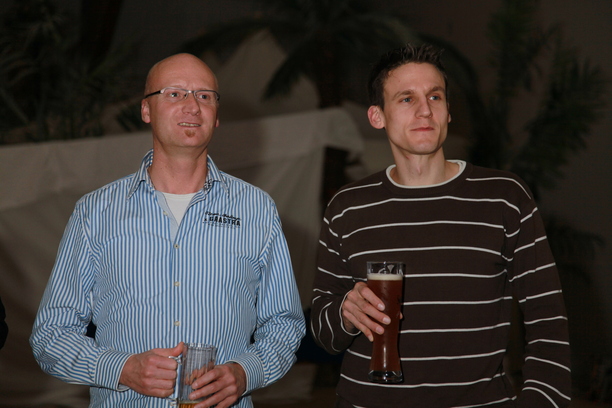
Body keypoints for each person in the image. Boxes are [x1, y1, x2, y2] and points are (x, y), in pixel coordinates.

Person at [30, 53, 305, 408]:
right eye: (174, 94)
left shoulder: (257, 209)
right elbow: (51, 335)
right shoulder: (95, 212)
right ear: (146, 110)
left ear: (216, 115)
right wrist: (122, 369)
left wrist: (244, 373)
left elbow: (284, 324)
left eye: (204, 96)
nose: (192, 106)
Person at [310, 44, 571, 408]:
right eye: (406, 99)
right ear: (377, 116)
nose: (425, 110)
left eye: (435, 96)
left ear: (448, 112)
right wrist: (345, 314)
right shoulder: (347, 206)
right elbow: (323, 332)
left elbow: (548, 321)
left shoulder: (504, 197)